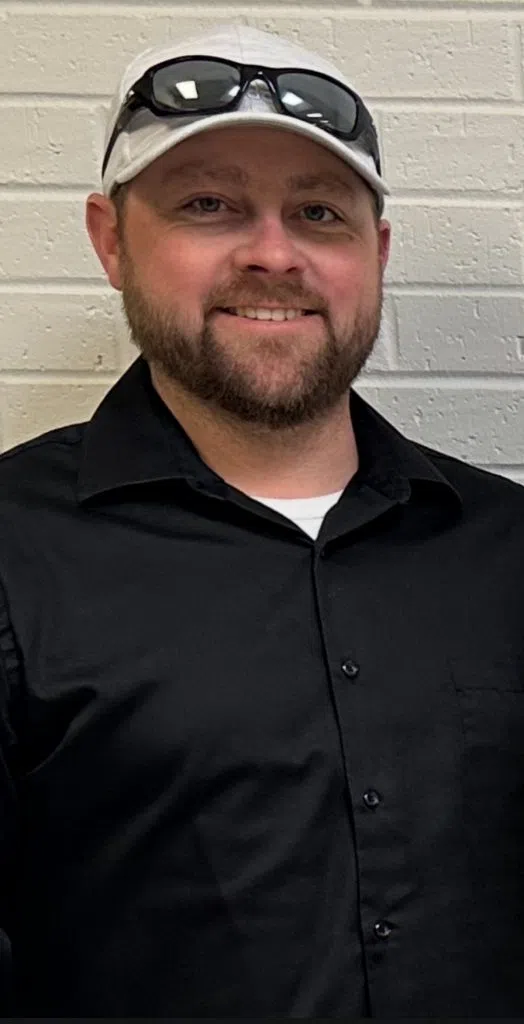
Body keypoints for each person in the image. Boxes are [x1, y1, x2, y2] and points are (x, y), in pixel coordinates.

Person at [0, 21, 523, 1018]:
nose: (273, 254)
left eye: (318, 212)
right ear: (111, 240)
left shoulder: (504, 547)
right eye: (208, 205)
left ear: (374, 254)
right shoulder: (14, 554)